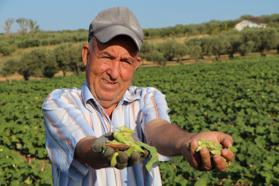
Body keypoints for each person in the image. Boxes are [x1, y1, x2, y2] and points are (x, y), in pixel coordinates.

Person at [42, 7, 235, 186]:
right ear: (86, 55)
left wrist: (187, 142)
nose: (115, 73)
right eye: (107, 57)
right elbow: (84, 147)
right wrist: (104, 148)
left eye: (125, 61)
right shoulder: (60, 102)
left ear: (136, 64)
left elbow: (157, 129)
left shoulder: (146, 97)